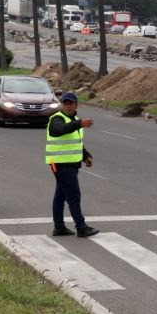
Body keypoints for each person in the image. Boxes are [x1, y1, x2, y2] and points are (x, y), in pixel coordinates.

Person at [46, 92, 98, 237]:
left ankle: (59, 227)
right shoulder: (57, 118)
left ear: (76, 105)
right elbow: (58, 130)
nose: (68, 106)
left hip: (70, 163)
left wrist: (86, 156)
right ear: (62, 105)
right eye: (65, 103)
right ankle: (81, 226)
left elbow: (76, 142)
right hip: (60, 163)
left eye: (71, 103)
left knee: (61, 195)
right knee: (74, 195)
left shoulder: (74, 120)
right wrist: (79, 123)